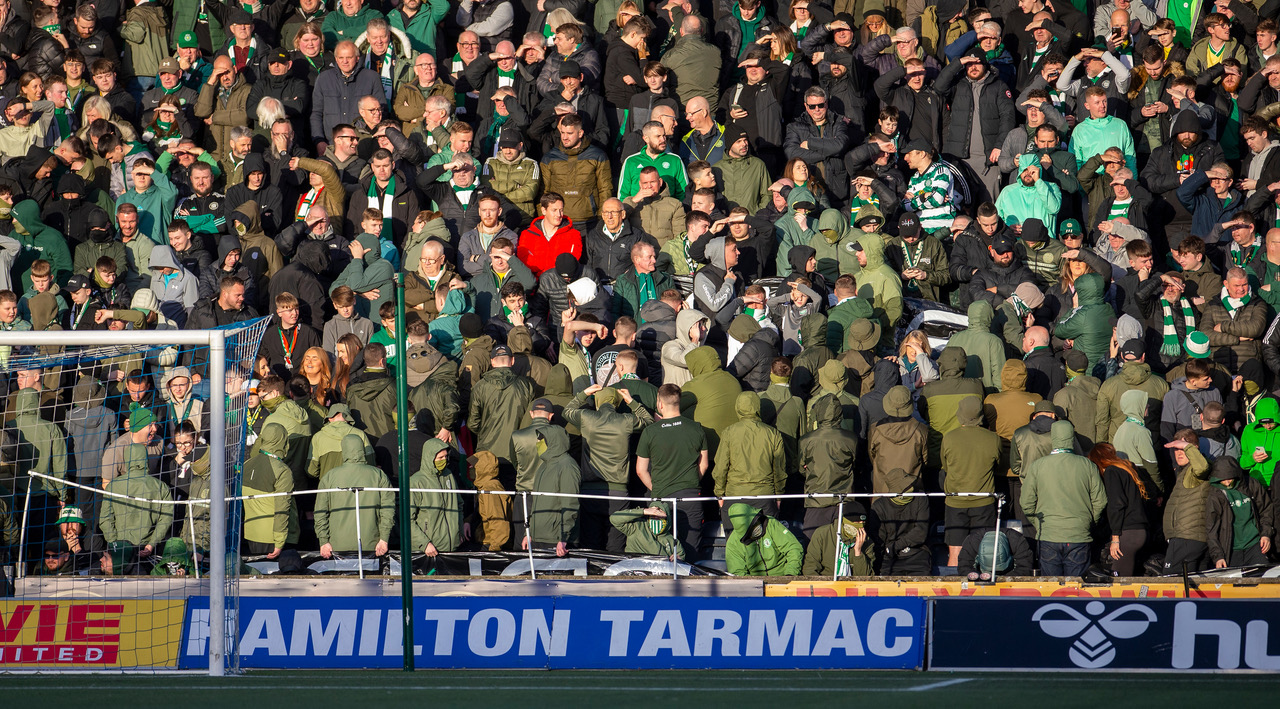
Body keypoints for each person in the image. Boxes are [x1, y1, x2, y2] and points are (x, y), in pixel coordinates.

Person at [1021, 420, 1108, 576]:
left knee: (1052, 589)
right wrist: (1088, 521)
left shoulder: (1038, 466)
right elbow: (1100, 501)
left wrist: (1039, 524)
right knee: (1076, 589)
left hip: (1048, 534)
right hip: (1079, 534)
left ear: (1053, 438)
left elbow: (1026, 503)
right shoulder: (1087, 465)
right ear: (1071, 438)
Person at [635, 383, 708, 557]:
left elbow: (640, 470)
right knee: (689, 553)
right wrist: (689, 482)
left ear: (659, 403)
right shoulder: (696, 428)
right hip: (690, 496)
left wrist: (658, 487)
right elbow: (703, 464)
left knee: (661, 553)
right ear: (679, 402)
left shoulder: (650, 432)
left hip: (661, 499)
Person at [314, 434, 395, 558]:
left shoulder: (329, 477)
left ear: (344, 450)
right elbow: (388, 510)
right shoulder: (379, 475)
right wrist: (384, 538)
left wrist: (323, 541)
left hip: (337, 545)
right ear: (362, 450)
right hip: (372, 544)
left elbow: (320, 512)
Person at [1205, 458, 1274, 568]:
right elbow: (1211, 529)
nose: (1227, 482)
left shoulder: (1251, 484)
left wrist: (1266, 535)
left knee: (1262, 581)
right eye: (1223, 479)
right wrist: (1218, 556)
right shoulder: (1215, 495)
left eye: (1229, 478)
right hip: (1231, 549)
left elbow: (1266, 510)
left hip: (1255, 545)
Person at [725, 503, 803, 576]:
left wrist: (790, 575)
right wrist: (753, 586)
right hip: (754, 583)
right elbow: (738, 572)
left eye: (756, 521)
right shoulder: (733, 543)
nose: (756, 526)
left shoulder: (771, 523)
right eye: (752, 525)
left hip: (783, 574)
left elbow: (793, 548)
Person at [801, 505, 875, 577]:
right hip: (825, 585)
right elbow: (810, 568)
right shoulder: (823, 535)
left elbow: (865, 577)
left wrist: (858, 552)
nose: (860, 527)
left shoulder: (867, 542)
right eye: (856, 523)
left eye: (862, 523)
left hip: (852, 587)